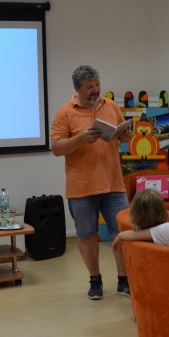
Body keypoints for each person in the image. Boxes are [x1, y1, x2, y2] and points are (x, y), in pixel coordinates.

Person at [51, 65, 133, 300]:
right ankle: (95, 279)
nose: (96, 90)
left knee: (122, 232)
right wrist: (80, 138)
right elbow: (56, 148)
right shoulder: (65, 112)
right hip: (81, 187)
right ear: (77, 88)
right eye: (89, 87)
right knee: (87, 234)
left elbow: (122, 135)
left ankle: (123, 280)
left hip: (113, 184)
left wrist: (125, 135)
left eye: (97, 84)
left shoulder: (111, 106)